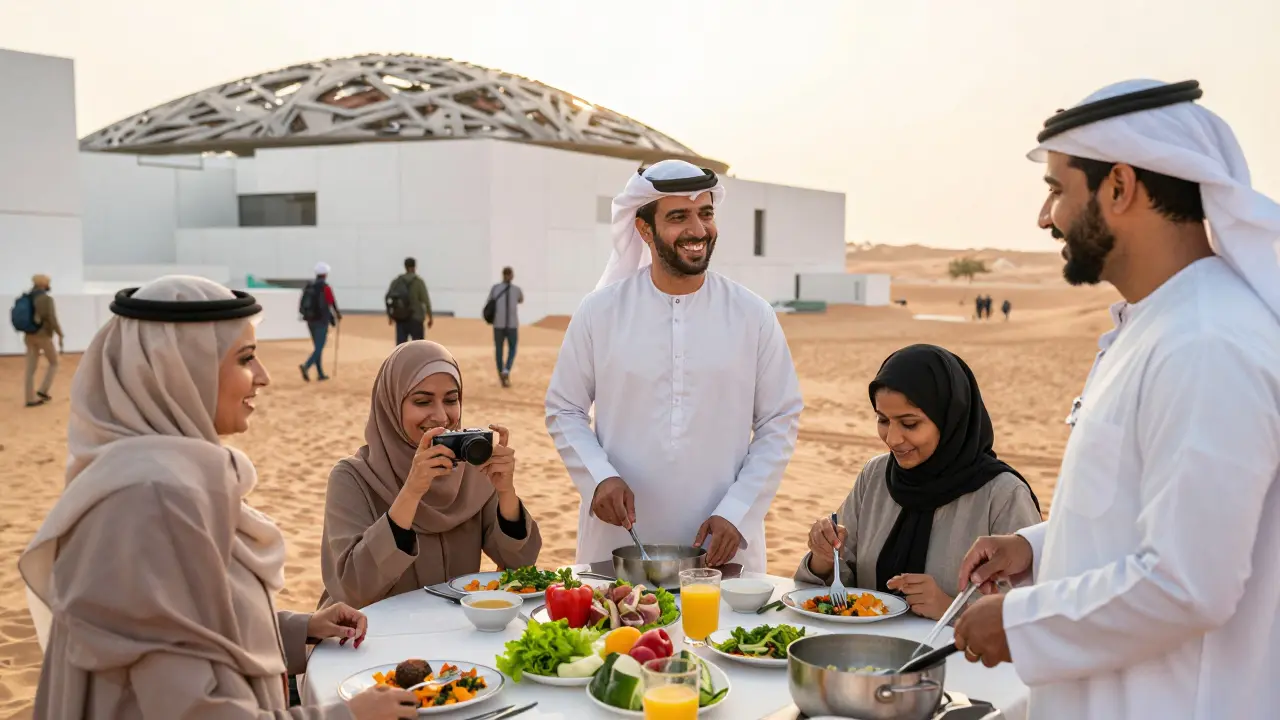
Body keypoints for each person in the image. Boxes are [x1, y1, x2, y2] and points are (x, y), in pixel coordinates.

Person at [953, 80, 1280, 720]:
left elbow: (1188, 585)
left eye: (1056, 191)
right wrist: (1034, 550)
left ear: (1120, 187)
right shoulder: (1155, 325)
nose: (1045, 218)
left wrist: (1018, 623)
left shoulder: (1208, 343)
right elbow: (1146, 509)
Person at [17, 275, 417, 719]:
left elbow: (191, 625)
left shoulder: (172, 477)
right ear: (181, 371)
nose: (262, 377)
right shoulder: (146, 504)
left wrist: (298, 629)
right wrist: (348, 716)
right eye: (246, 359)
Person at [545, 159, 803, 572]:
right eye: (679, 217)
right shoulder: (600, 312)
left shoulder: (752, 314)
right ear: (644, 229)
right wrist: (598, 478)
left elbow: (780, 419)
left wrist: (738, 511)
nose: (698, 230)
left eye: (706, 213)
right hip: (621, 537)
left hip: (723, 538)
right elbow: (564, 408)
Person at [794, 344, 1041, 620]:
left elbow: (1033, 614)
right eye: (883, 420)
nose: (893, 438)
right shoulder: (875, 476)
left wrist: (950, 609)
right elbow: (838, 587)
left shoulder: (1003, 496)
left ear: (950, 419)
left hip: (959, 661)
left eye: (909, 424)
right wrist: (824, 560)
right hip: (864, 658)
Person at [319, 340, 541, 609]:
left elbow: (521, 567)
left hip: (450, 632)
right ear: (391, 404)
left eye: (451, 400)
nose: (441, 416)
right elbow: (352, 590)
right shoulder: (354, 478)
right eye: (422, 401)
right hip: (371, 637)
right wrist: (411, 492)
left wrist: (506, 493)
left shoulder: (472, 472)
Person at [17, 274, 63, 407]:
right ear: (43, 284)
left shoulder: (27, 297)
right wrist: (60, 334)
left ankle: (29, 398)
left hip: (28, 335)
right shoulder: (46, 299)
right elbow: (51, 318)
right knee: (53, 362)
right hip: (43, 335)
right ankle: (43, 390)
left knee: (30, 368)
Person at [300, 262, 341, 382]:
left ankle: (320, 373)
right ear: (325, 274)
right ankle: (306, 366)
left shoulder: (310, 286)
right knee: (319, 347)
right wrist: (337, 315)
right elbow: (331, 303)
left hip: (310, 320)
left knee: (317, 346)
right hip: (321, 320)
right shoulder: (325, 287)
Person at [487, 266, 524, 387]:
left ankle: (502, 372)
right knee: (512, 349)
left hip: (499, 324)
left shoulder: (495, 289)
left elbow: (490, 301)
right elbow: (521, 300)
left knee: (499, 350)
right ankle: (506, 370)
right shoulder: (516, 290)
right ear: (511, 276)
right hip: (511, 325)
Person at [385, 257, 432, 345]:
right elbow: (426, 300)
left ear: (405, 267)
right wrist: (430, 317)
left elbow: (388, 298)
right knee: (418, 347)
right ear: (415, 267)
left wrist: (390, 316)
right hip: (416, 318)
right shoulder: (418, 282)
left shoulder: (397, 281)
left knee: (401, 348)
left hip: (401, 318)